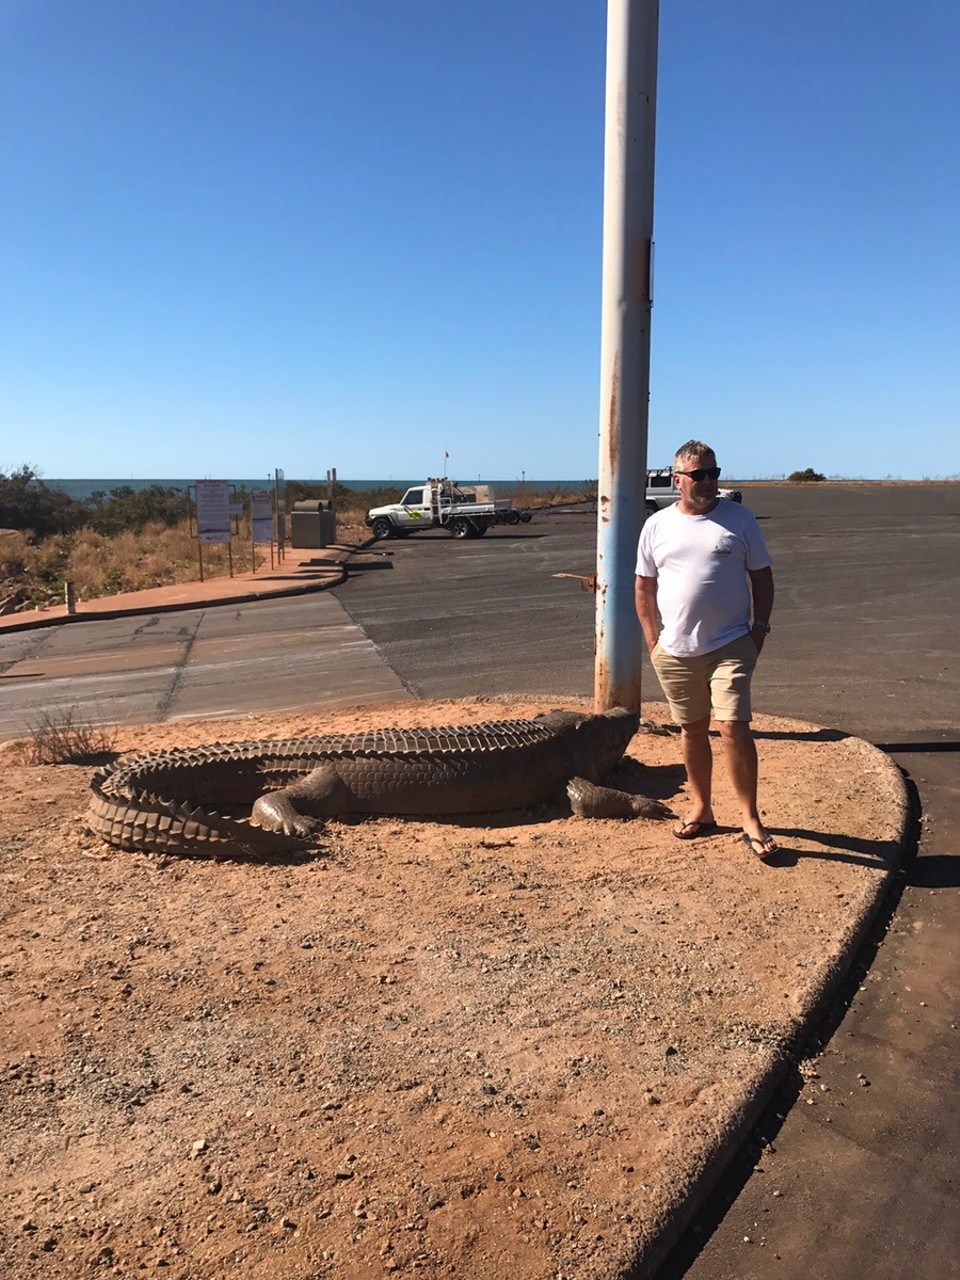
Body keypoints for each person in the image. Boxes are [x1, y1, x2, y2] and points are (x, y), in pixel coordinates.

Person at [635, 440, 778, 861]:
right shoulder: (657, 525)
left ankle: (750, 817)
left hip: (732, 643)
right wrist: (652, 640)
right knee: (692, 730)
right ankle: (702, 807)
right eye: (699, 475)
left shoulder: (740, 520)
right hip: (675, 650)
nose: (709, 482)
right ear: (677, 479)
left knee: (733, 726)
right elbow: (644, 584)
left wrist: (759, 631)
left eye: (714, 472)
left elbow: (763, 579)